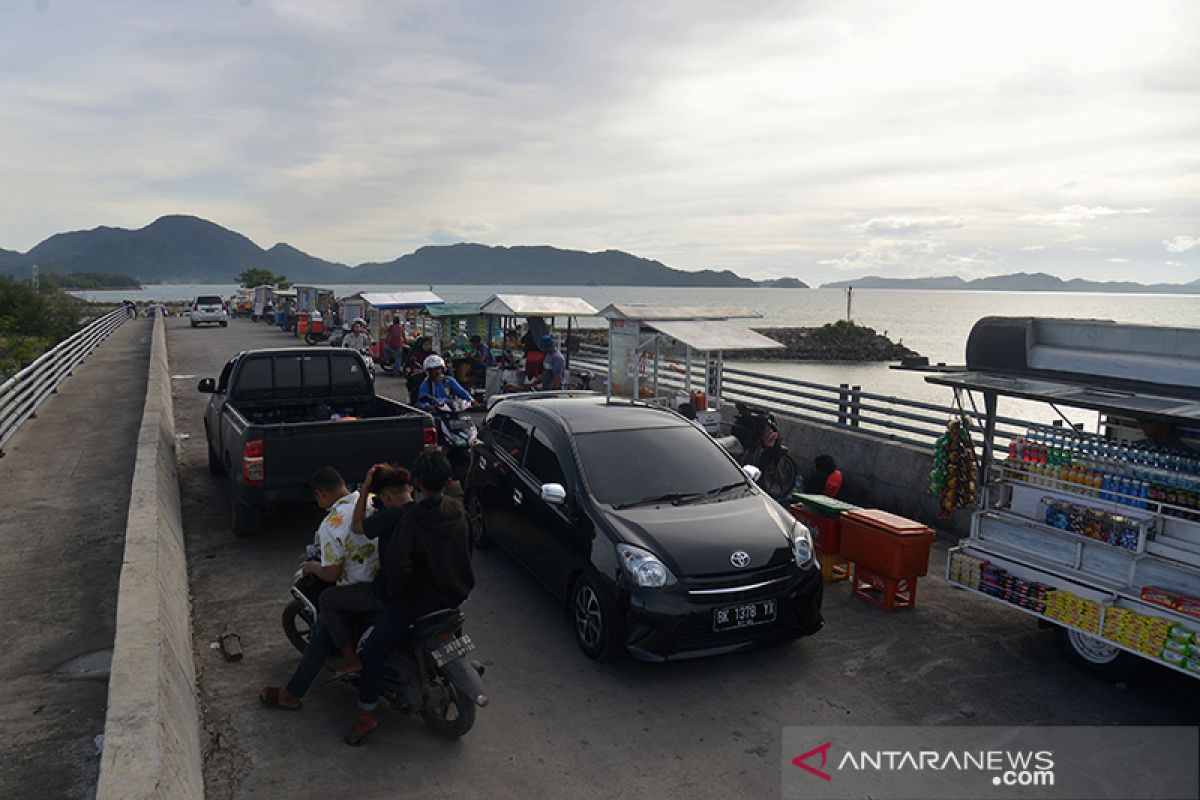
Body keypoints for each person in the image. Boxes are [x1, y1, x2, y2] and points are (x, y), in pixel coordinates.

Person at [346, 449, 475, 745]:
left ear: (416, 483)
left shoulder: (410, 520)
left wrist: (397, 598)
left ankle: (366, 714)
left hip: (416, 606)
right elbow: (468, 551)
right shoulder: (458, 511)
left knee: (372, 652)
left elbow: (397, 566)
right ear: (449, 480)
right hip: (455, 596)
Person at [258, 467, 379, 710]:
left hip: (363, 591)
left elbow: (332, 573)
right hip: (389, 580)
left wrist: (312, 567)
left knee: (324, 621)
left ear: (320, 494)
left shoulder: (331, 524)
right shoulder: (372, 500)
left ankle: (292, 694)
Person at [405, 337, 437, 401]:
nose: (427, 346)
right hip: (420, 373)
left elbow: (438, 362)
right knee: (416, 380)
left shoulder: (433, 354)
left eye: (428, 344)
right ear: (421, 345)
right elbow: (411, 364)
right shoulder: (416, 354)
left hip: (432, 372)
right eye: (425, 344)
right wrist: (415, 369)